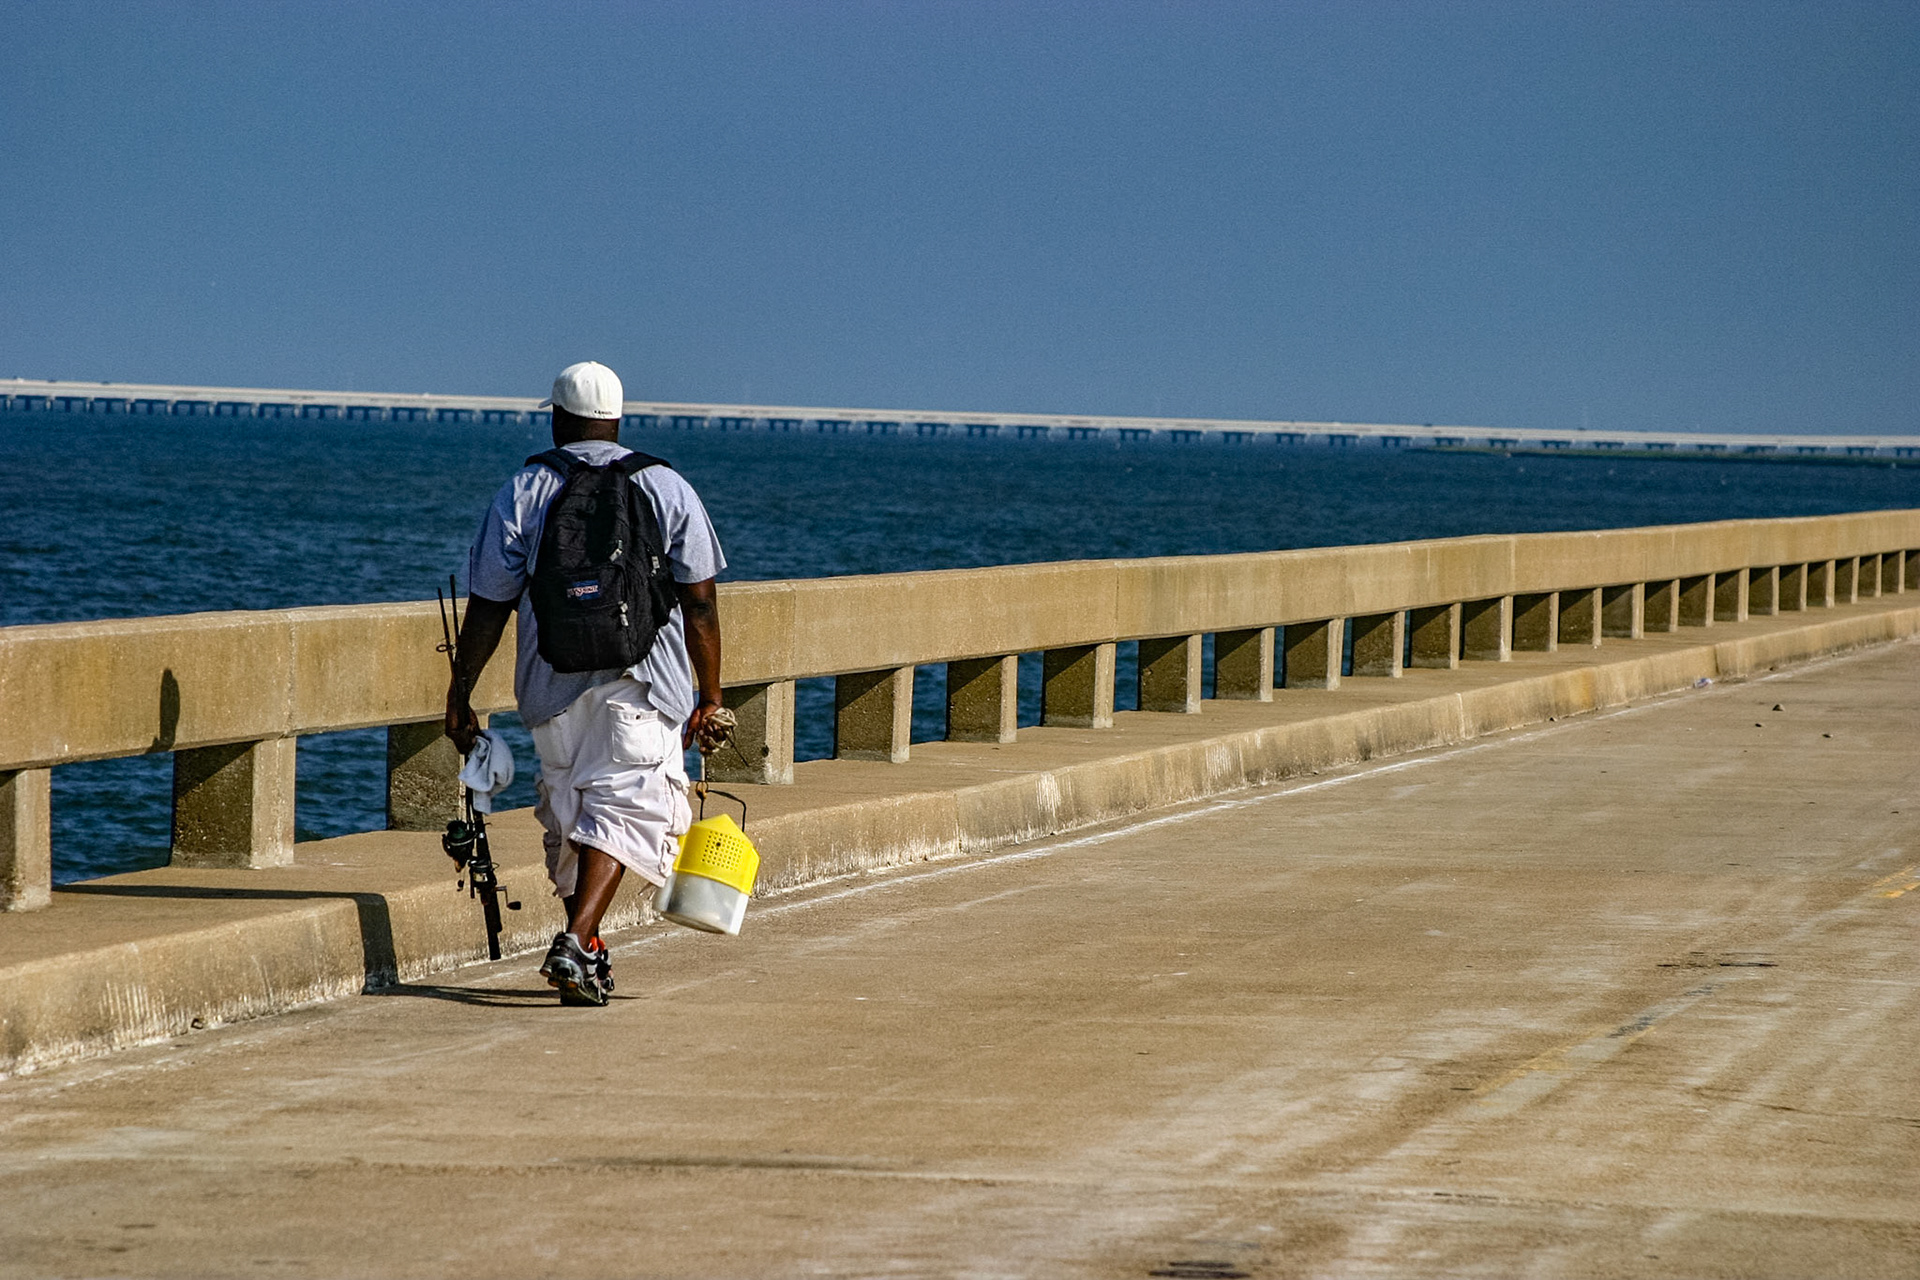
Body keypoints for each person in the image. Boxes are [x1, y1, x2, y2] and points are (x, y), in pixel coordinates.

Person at [444, 360, 726, 1006]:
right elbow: (701, 605)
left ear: (557, 418)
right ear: (618, 418)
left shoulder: (526, 488)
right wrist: (710, 695)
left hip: (551, 683)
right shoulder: (666, 486)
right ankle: (575, 940)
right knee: (626, 814)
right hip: (643, 682)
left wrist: (461, 692)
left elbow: (488, 605)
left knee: (574, 820)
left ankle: (588, 953)